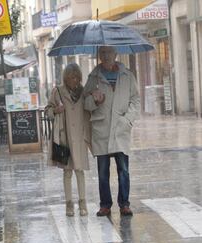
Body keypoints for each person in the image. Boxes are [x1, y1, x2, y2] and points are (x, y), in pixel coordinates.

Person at [84, 46, 140, 217]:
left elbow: (135, 100)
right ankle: (105, 205)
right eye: (102, 53)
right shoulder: (93, 77)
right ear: (99, 55)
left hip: (121, 129)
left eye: (109, 52)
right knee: (102, 172)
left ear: (116, 54)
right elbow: (85, 104)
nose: (106, 55)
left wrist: (127, 119)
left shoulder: (127, 75)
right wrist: (94, 100)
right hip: (102, 130)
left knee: (124, 169)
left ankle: (124, 204)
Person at [46, 63, 91, 217]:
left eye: (77, 77)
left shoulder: (84, 92)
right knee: (67, 172)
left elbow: (90, 108)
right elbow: (48, 111)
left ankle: (83, 203)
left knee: (80, 170)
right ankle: (69, 205)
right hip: (63, 137)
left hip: (79, 137)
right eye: (71, 77)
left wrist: (96, 99)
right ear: (66, 78)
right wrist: (55, 110)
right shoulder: (57, 92)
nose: (75, 80)